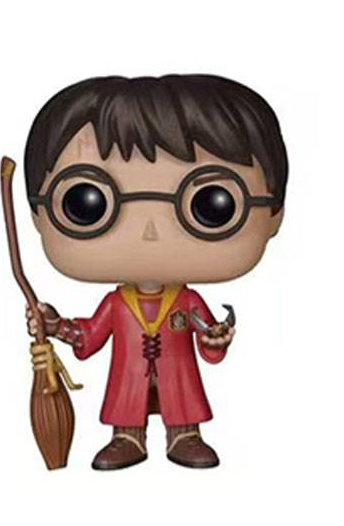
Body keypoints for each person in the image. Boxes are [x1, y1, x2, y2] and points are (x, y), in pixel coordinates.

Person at [23, 75, 288, 469]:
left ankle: (184, 434)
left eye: (212, 205)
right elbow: (89, 336)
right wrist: (55, 325)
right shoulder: (117, 304)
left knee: (183, 401)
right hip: (128, 383)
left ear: (274, 214)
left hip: (178, 380)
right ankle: (128, 436)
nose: (149, 231)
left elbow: (208, 343)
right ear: (37, 214)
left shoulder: (188, 301)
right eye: (87, 203)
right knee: (126, 406)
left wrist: (215, 339)